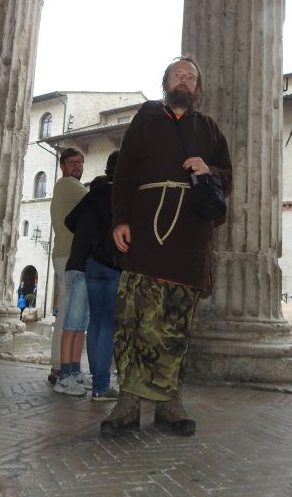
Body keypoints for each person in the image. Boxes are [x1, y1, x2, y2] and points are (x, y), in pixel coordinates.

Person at [101, 56, 232, 437]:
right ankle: (127, 402)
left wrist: (209, 170)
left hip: (190, 238)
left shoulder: (208, 128)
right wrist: (119, 220)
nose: (184, 80)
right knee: (133, 319)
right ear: (165, 82)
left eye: (191, 77)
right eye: (178, 74)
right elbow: (123, 172)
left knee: (176, 323)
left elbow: (229, 176)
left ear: (198, 88)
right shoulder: (145, 118)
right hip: (143, 231)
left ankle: (169, 403)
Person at [64, 150, 121, 401]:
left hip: (92, 265)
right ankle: (101, 385)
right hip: (115, 265)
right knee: (108, 323)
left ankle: (95, 380)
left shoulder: (95, 192)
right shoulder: (123, 195)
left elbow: (70, 220)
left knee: (95, 323)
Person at [48, 147, 87, 385]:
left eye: (81, 163)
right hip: (67, 256)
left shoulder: (72, 188)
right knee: (67, 314)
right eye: (72, 162)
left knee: (74, 314)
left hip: (69, 255)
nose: (77, 167)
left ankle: (68, 366)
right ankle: (58, 366)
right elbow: (94, 200)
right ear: (62, 166)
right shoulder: (67, 185)